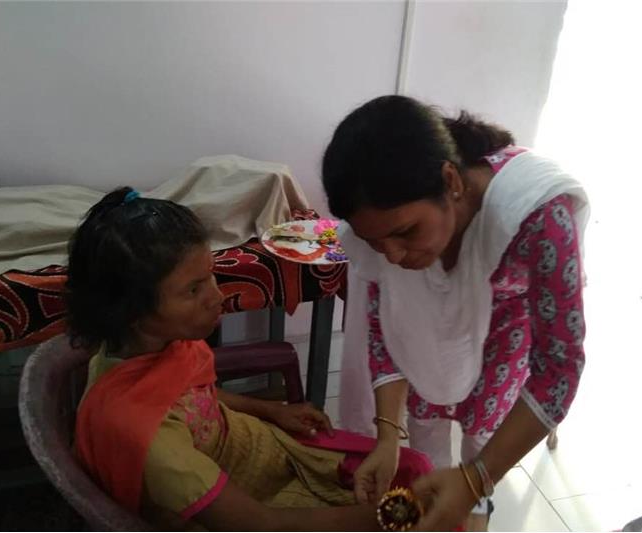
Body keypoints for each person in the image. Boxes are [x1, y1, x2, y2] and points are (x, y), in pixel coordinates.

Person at [66, 187, 432, 531]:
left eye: (209, 276)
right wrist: (391, 516)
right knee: (416, 498)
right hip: (256, 505)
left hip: (259, 449)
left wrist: (270, 410)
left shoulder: (148, 350)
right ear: (133, 311)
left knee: (414, 469)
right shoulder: (153, 446)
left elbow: (194, 396)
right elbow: (260, 524)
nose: (216, 296)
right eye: (193, 289)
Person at [321, 95, 590, 530]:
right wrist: (389, 437)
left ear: (452, 182)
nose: (392, 255)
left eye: (405, 233)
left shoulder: (537, 217)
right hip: (436, 324)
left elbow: (558, 369)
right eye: (375, 243)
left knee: (482, 435)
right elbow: (387, 327)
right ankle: (438, 493)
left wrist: (474, 480)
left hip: (509, 322)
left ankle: (475, 506)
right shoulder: (392, 234)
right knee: (425, 428)